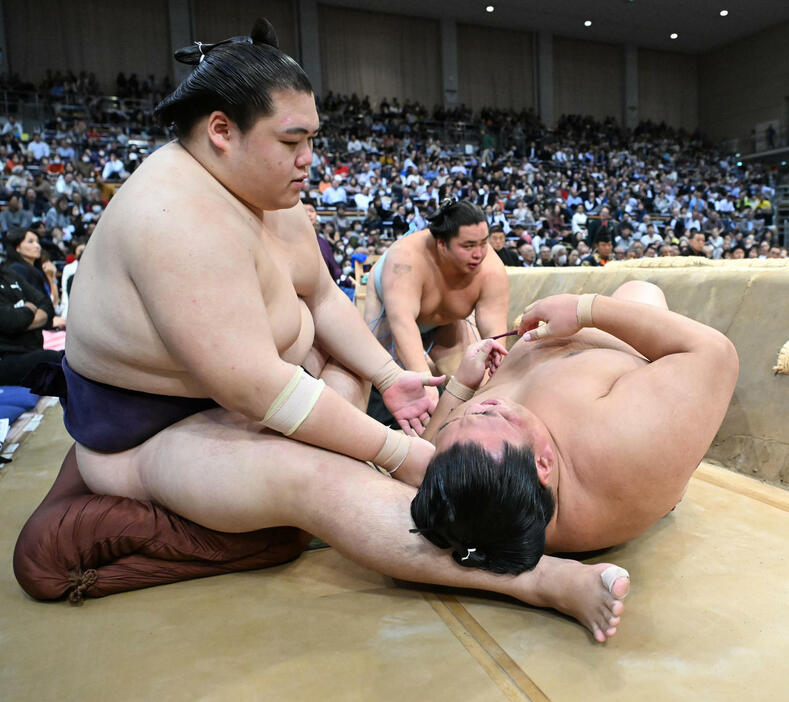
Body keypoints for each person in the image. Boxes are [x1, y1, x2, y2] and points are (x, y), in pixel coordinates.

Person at [23, 21, 632, 644]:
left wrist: (391, 377)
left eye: (312, 138)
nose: (308, 159)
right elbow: (259, 389)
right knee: (315, 478)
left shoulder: (267, 193)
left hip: (258, 393)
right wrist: (395, 452)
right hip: (153, 436)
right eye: (292, 141)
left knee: (346, 378)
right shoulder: (174, 218)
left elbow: (321, 296)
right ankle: (537, 579)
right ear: (221, 132)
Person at [412, 282, 738, 641]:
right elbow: (714, 353)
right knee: (640, 291)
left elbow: (424, 459)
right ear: (543, 465)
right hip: (618, 349)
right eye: (493, 416)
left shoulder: (474, 493)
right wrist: (586, 309)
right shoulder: (620, 447)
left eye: (455, 422)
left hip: (554, 351)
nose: (474, 409)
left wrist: (460, 388)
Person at [363, 198, 509, 405]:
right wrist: (422, 379)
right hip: (388, 312)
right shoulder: (405, 259)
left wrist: (496, 368)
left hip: (448, 322)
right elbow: (402, 322)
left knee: (477, 387)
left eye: (483, 243)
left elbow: (494, 336)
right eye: (468, 246)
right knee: (372, 377)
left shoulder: (492, 270)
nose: (478, 254)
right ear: (441, 244)